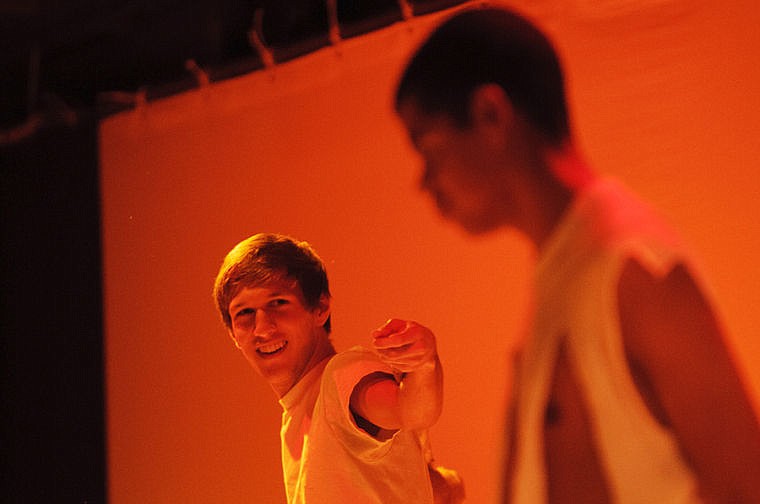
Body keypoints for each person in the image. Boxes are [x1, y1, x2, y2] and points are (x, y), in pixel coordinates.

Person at [394, 5, 760, 504]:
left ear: (490, 114)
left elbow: (745, 484)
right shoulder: (566, 276)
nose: (423, 182)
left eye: (429, 147)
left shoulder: (632, 267)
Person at [212, 232, 464, 504]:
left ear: (320, 308)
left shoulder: (343, 375)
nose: (262, 328)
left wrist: (424, 364)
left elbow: (410, 411)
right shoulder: (300, 415)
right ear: (233, 335)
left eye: (278, 303)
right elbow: (443, 488)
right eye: (244, 313)